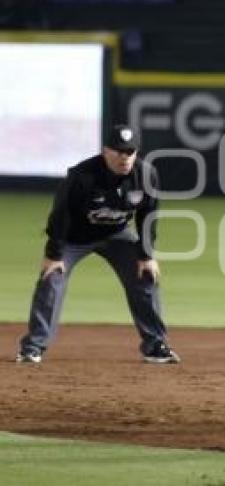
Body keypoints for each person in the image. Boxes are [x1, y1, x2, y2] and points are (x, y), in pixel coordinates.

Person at [16, 125, 179, 364]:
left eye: (130, 151)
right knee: (51, 278)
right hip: (74, 238)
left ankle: (155, 346)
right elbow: (61, 215)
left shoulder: (146, 174)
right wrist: (54, 254)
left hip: (117, 234)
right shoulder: (82, 175)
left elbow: (149, 216)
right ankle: (33, 347)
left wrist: (146, 255)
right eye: (119, 151)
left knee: (144, 274)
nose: (125, 157)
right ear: (105, 151)